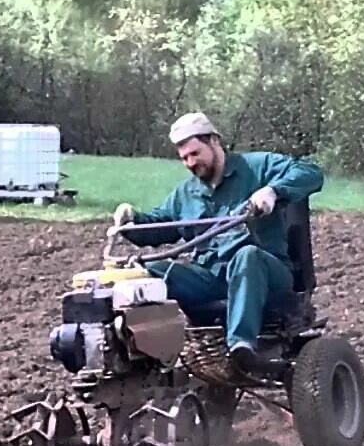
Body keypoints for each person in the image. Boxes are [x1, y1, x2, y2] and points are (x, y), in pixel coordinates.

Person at [113, 111, 324, 376]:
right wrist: (131, 220)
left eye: (195, 153)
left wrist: (273, 191)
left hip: (267, 273)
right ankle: (141, 355)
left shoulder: (257, 168)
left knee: (247, 255)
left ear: (214, 141)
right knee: (148, 274)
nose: (190, 163)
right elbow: (157, 227)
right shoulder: (186, 194)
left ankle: (241, 347)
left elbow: (310, 173)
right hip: (210, 279)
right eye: (184, 158)